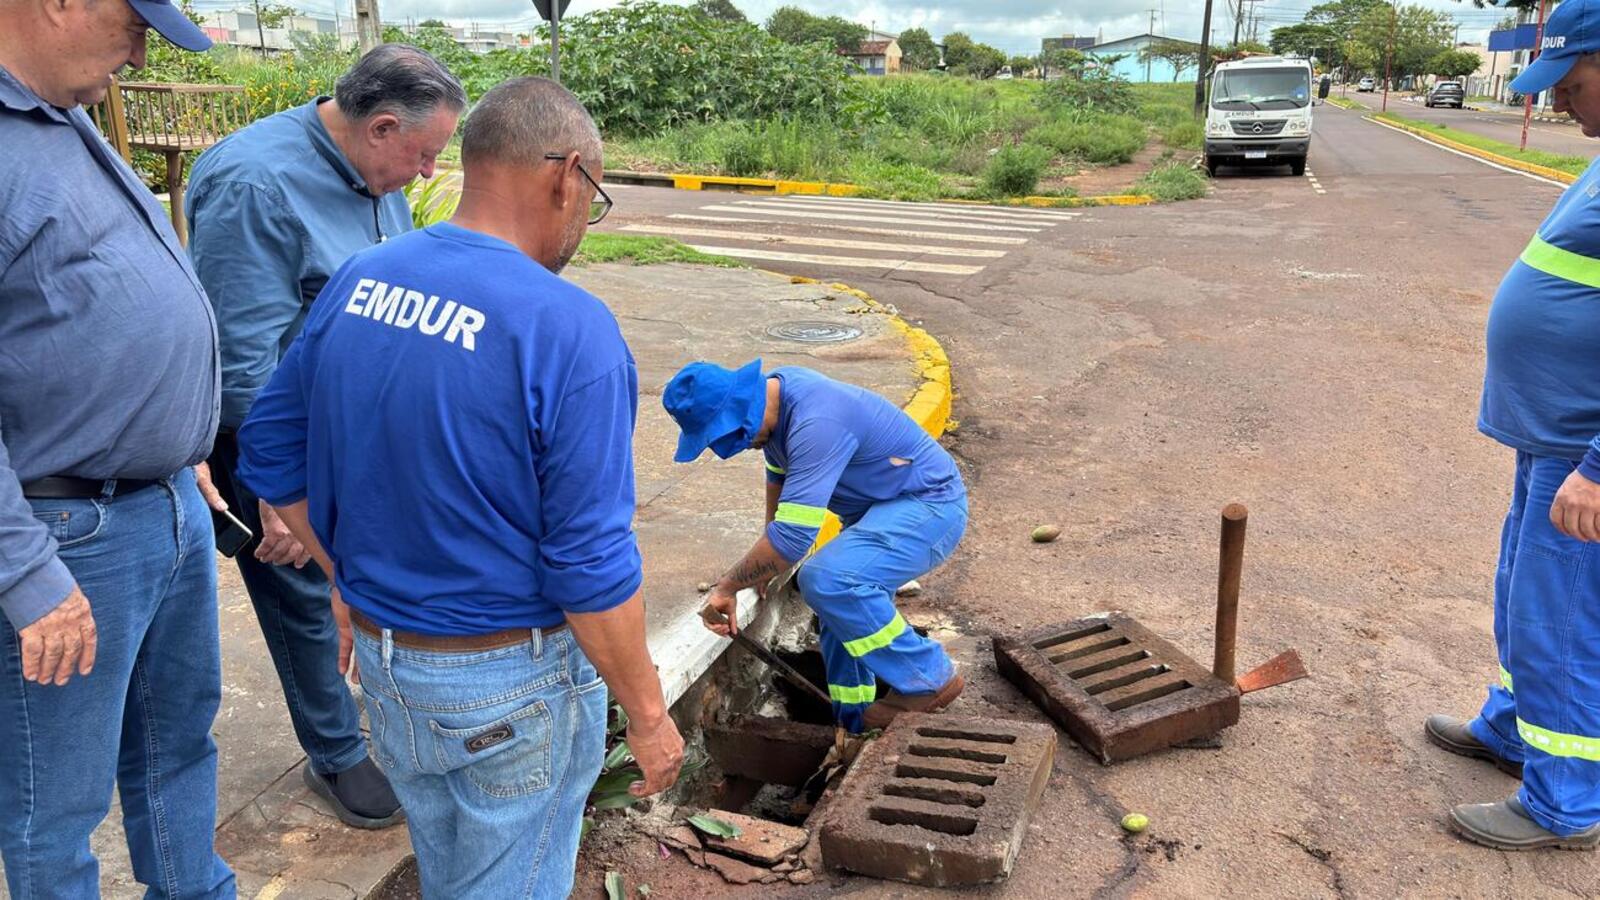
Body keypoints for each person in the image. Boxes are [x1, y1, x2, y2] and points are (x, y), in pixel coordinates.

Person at [235, 76, 682, 897]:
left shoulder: (362, 279)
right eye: (596, 198)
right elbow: (590, 566)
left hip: (391, 669)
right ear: (567, 176)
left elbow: (270, 450)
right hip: (511, 689)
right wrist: (649, 718)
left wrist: (345, 581)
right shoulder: (569, 329)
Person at [187, 43, 466, 830]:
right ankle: (337, 753)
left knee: (367, 574)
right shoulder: (257, 184)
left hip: (354, 432)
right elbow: (242, 371)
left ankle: (387, 712)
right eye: (423, 156)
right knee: (304, 591)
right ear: (380, 127)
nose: (424, 175)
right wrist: (279, 492)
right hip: (276, 441)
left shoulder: (377, 174)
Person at [0, 0, 237, 896]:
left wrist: (175, 437)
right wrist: (27, 578)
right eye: (133, 26)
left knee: (178, 744)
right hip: (64, 531)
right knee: (52, 804)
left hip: (163, 500)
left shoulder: (60, 115)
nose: (139, 55)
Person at [1429, 0, 1600, 852]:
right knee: (1521, 600)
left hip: (1585, 454)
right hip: (1551, 437)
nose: (1559, 104)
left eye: (1571, 84)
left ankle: (1565, 803)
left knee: (1564, 623)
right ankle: (1509, 728)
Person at [664, 361, 967, 733]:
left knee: (828, 580)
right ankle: (855, 722)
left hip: (928, 506)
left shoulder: (818, 423)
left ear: (743, 409)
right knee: (840, 610)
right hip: (878, 511)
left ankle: (928, 676)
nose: (738, 446)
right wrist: (766, 552)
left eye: (733, 435)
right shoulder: (776, 396)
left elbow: (792, 540)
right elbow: (778, 474)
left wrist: (729, 586)